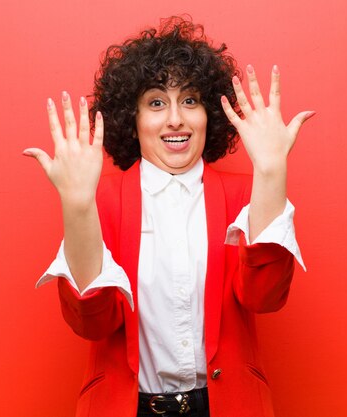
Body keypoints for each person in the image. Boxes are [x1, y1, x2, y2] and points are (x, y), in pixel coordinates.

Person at [23, 16, 313, 417]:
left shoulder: (246, 194)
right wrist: (76, 205)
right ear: (133, 117)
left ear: (209, 113)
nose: (175, 118)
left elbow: (263, 297)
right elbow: (93, 324)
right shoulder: (101, 199)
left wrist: (271, 170)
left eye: (190, 100)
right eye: (156, 102)